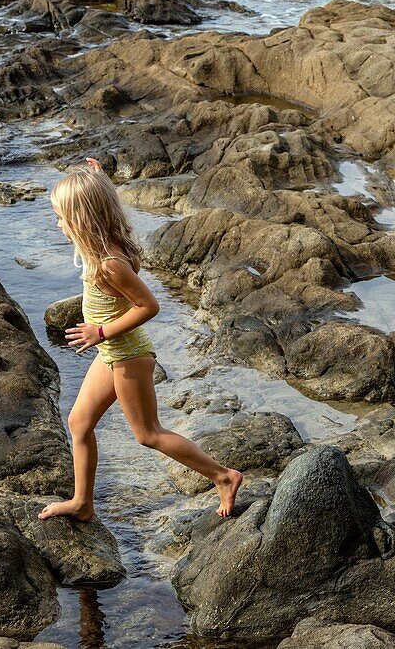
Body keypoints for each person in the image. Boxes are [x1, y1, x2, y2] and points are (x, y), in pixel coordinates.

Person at [40, 157, 242, 520]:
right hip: (112, 353)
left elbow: (148, 306)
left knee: (148, 433)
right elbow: (106, 207)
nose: (57, 224)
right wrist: (99, 180)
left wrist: (98, 331)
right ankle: (82, 503)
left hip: (128, 355)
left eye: (61, 217)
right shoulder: (109, 241)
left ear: (83, 220)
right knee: (78, 423)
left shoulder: (109, 264)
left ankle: (223, 476)